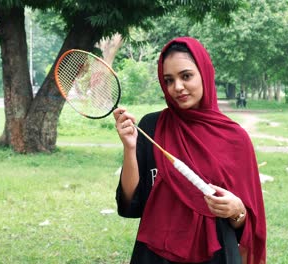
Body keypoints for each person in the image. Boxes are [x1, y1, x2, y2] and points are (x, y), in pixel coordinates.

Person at [113, 37, 266, 264]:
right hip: (155, 255)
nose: (177, 87)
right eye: (168, 80)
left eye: (186, 76)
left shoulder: (235, 139)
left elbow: (248, 225)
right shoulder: (152, 126)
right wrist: (129, 147)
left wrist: (237, 210)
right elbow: (131, 201)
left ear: (204, 73)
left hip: (217, 255)